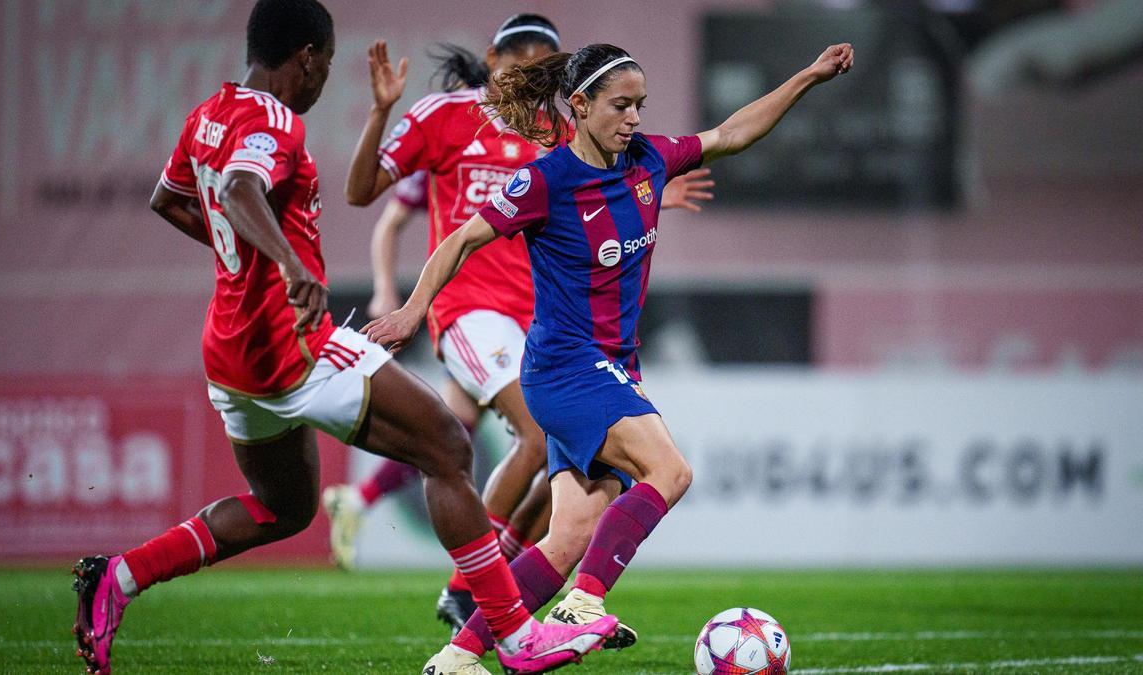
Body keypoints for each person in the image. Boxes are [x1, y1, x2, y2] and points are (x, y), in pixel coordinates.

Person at [69, 3, 618, 674]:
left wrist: (244, 259)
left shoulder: (205, 115)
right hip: (294, 343)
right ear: (306, 57)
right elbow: (241, 189)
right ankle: (510, 632)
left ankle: (119, 577)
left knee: (284, 507)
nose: (324, 78)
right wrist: (291, 267)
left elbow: (171, 198)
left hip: (231, 355)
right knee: (447, 445)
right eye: (326, 64)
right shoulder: (275, 121)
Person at [364, 39, 854, 675]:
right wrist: (409, 310)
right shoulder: (546, 181)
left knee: (568, 536)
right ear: (580, 105)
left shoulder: (649, 160)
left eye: (640, 105)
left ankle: (459, 656)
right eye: (621, 105)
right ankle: (584, 603)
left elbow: (733, 133)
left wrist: (807, 77)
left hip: (611, 367)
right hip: (567, 366)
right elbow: (462, 237)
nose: (634, 118)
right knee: (671, 471)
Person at [338, 14, 714, 633]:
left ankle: (491, 595)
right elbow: (370, 198)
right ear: (494, 61)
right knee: (537, 439)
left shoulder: (558, 132)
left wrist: (642, 193)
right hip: (470, 312)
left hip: (535, 318)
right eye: (523, 67)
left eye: (548, 67)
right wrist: (401, 298)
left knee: (551, 474)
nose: (534, 80)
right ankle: (473, 591)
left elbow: (595, 190)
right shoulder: (445, 116)